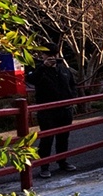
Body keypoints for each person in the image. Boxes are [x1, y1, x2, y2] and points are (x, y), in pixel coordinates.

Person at [25, 42, 79, 178]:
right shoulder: (38, 69)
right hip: (47, 110)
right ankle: (44, 166)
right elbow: (30, 79)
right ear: (43, 55)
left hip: (65, 108)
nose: (50, 57)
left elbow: (73, 85)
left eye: (53, 55)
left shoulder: (64, 70)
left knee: (63, 137)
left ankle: (63, 161)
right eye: (47, 55)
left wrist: (71, 98)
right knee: (47, 138)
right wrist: (44, 67)